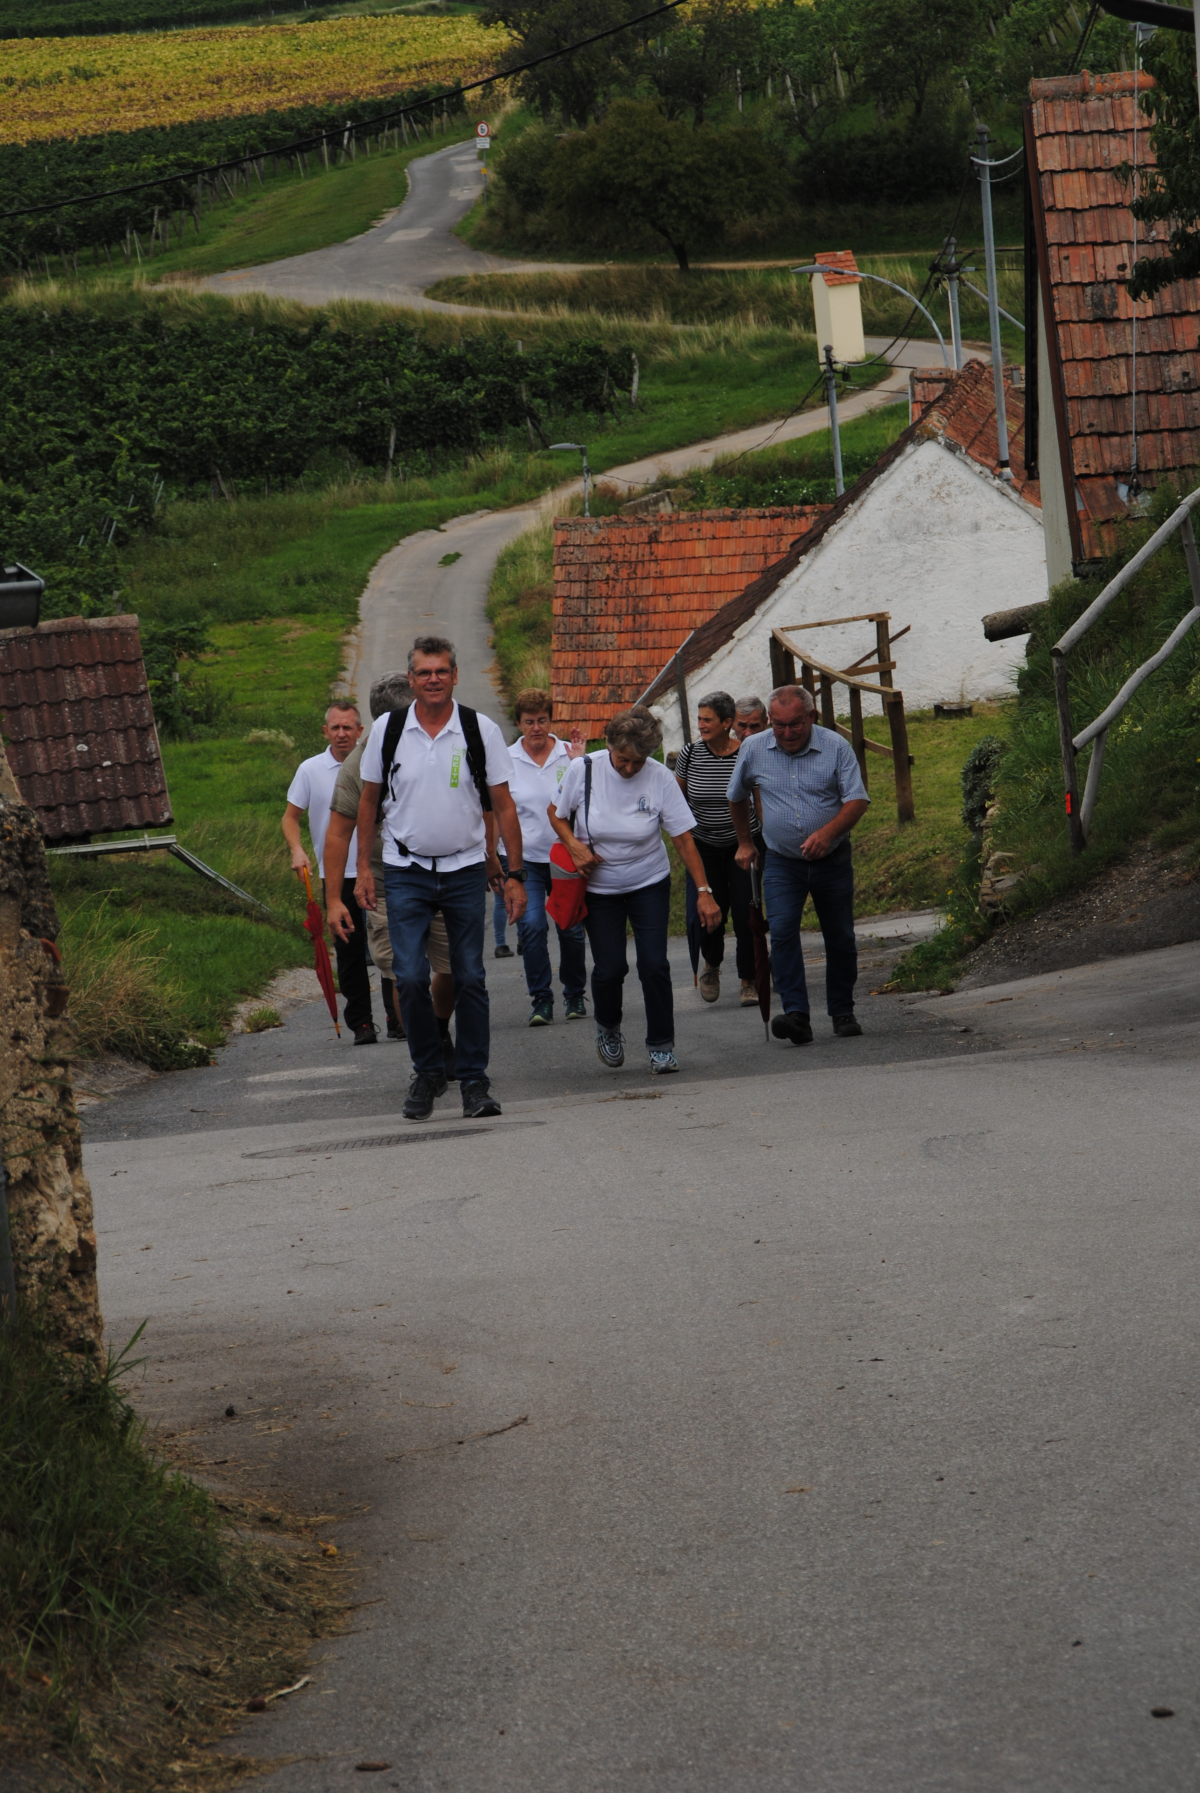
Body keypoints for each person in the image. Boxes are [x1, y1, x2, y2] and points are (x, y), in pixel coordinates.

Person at [354, 635, 527, 1122]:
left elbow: (504, 805)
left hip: (464, 868)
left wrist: (514, 873)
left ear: (455, 675)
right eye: (424, 672)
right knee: (408, 977)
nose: (433, 679)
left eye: (441, 671)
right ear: (411, 679)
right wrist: (362, 868)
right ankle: (428, 1071)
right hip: (405, 869)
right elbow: (368, 801)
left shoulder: (479, 729)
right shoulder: (388, 729)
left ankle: (474, 1081)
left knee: (469, 976)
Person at [550, 706, 721, 1075]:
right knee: (611, 968)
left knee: (654, 965)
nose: (629, 769)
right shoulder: (584, 769)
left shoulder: (659, 777)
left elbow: (683, 839)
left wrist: (704, 890)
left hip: (649, 882)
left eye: (638, 762)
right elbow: (556, 814)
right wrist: (574, 846)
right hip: (599, 888)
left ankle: (661, 1046)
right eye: (623, 760)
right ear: (610, 746)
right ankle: (608, 1027)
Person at [324, 672, 459, 1082]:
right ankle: (427, 1054)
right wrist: (334, 899)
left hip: (443, 874)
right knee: (404, 975)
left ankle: (437, 1030)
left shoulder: (440, 745)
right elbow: (337, 834)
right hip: (384, 885)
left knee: (454, 968)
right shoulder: (358, 764)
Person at [727, 683, 870, 1045]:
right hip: (782, 861)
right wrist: (745, 842)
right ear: (769, 721)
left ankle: (842, 1011)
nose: (787, 733)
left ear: (811, 717)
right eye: (779, 725)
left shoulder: (836, 747)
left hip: (832, 860)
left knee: (840, 936)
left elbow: (857, 800)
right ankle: (796, 1016)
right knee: (782, 931)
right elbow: (736, 795)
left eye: (795, 724)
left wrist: (827, 833)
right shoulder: (753, 749)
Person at [281, 700, 377, 1045]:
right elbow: (290, 817)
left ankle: (398, 1016)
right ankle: (362, 1023)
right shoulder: (310, 769)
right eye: (335, 727)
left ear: (360, 731)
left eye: (348, 727)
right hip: (337, 874)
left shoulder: (373, 764)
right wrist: (297, 849)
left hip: (376, 869)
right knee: (349, 950)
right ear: (325, 731)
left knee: (388, 944)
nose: (341, 734)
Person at [675, 690, 764, 1010]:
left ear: (727, 723)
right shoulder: (690, 754)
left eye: (707, 719)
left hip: (744, 845)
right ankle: (711, 965)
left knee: (745, 912)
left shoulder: (747, 753)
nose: (701, 725)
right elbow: (677, 802)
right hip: (703, 847)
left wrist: (762, 841)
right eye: (699, 719)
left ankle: (749, 979)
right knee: (708, 911)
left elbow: (758, 800)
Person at [506, 688, 588, 1026]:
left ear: (551, 720)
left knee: (570, 927)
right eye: (529, 722)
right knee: (532, 926)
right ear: (519, 723)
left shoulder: (569, 754)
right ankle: (541, 999)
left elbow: (586, 801)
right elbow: (499, 810)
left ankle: (575, 994)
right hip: (525, 859)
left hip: (563, 856)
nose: (536, 728)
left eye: (542, 720)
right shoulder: (506, 759)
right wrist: (496, 859)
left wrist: (580, 762)